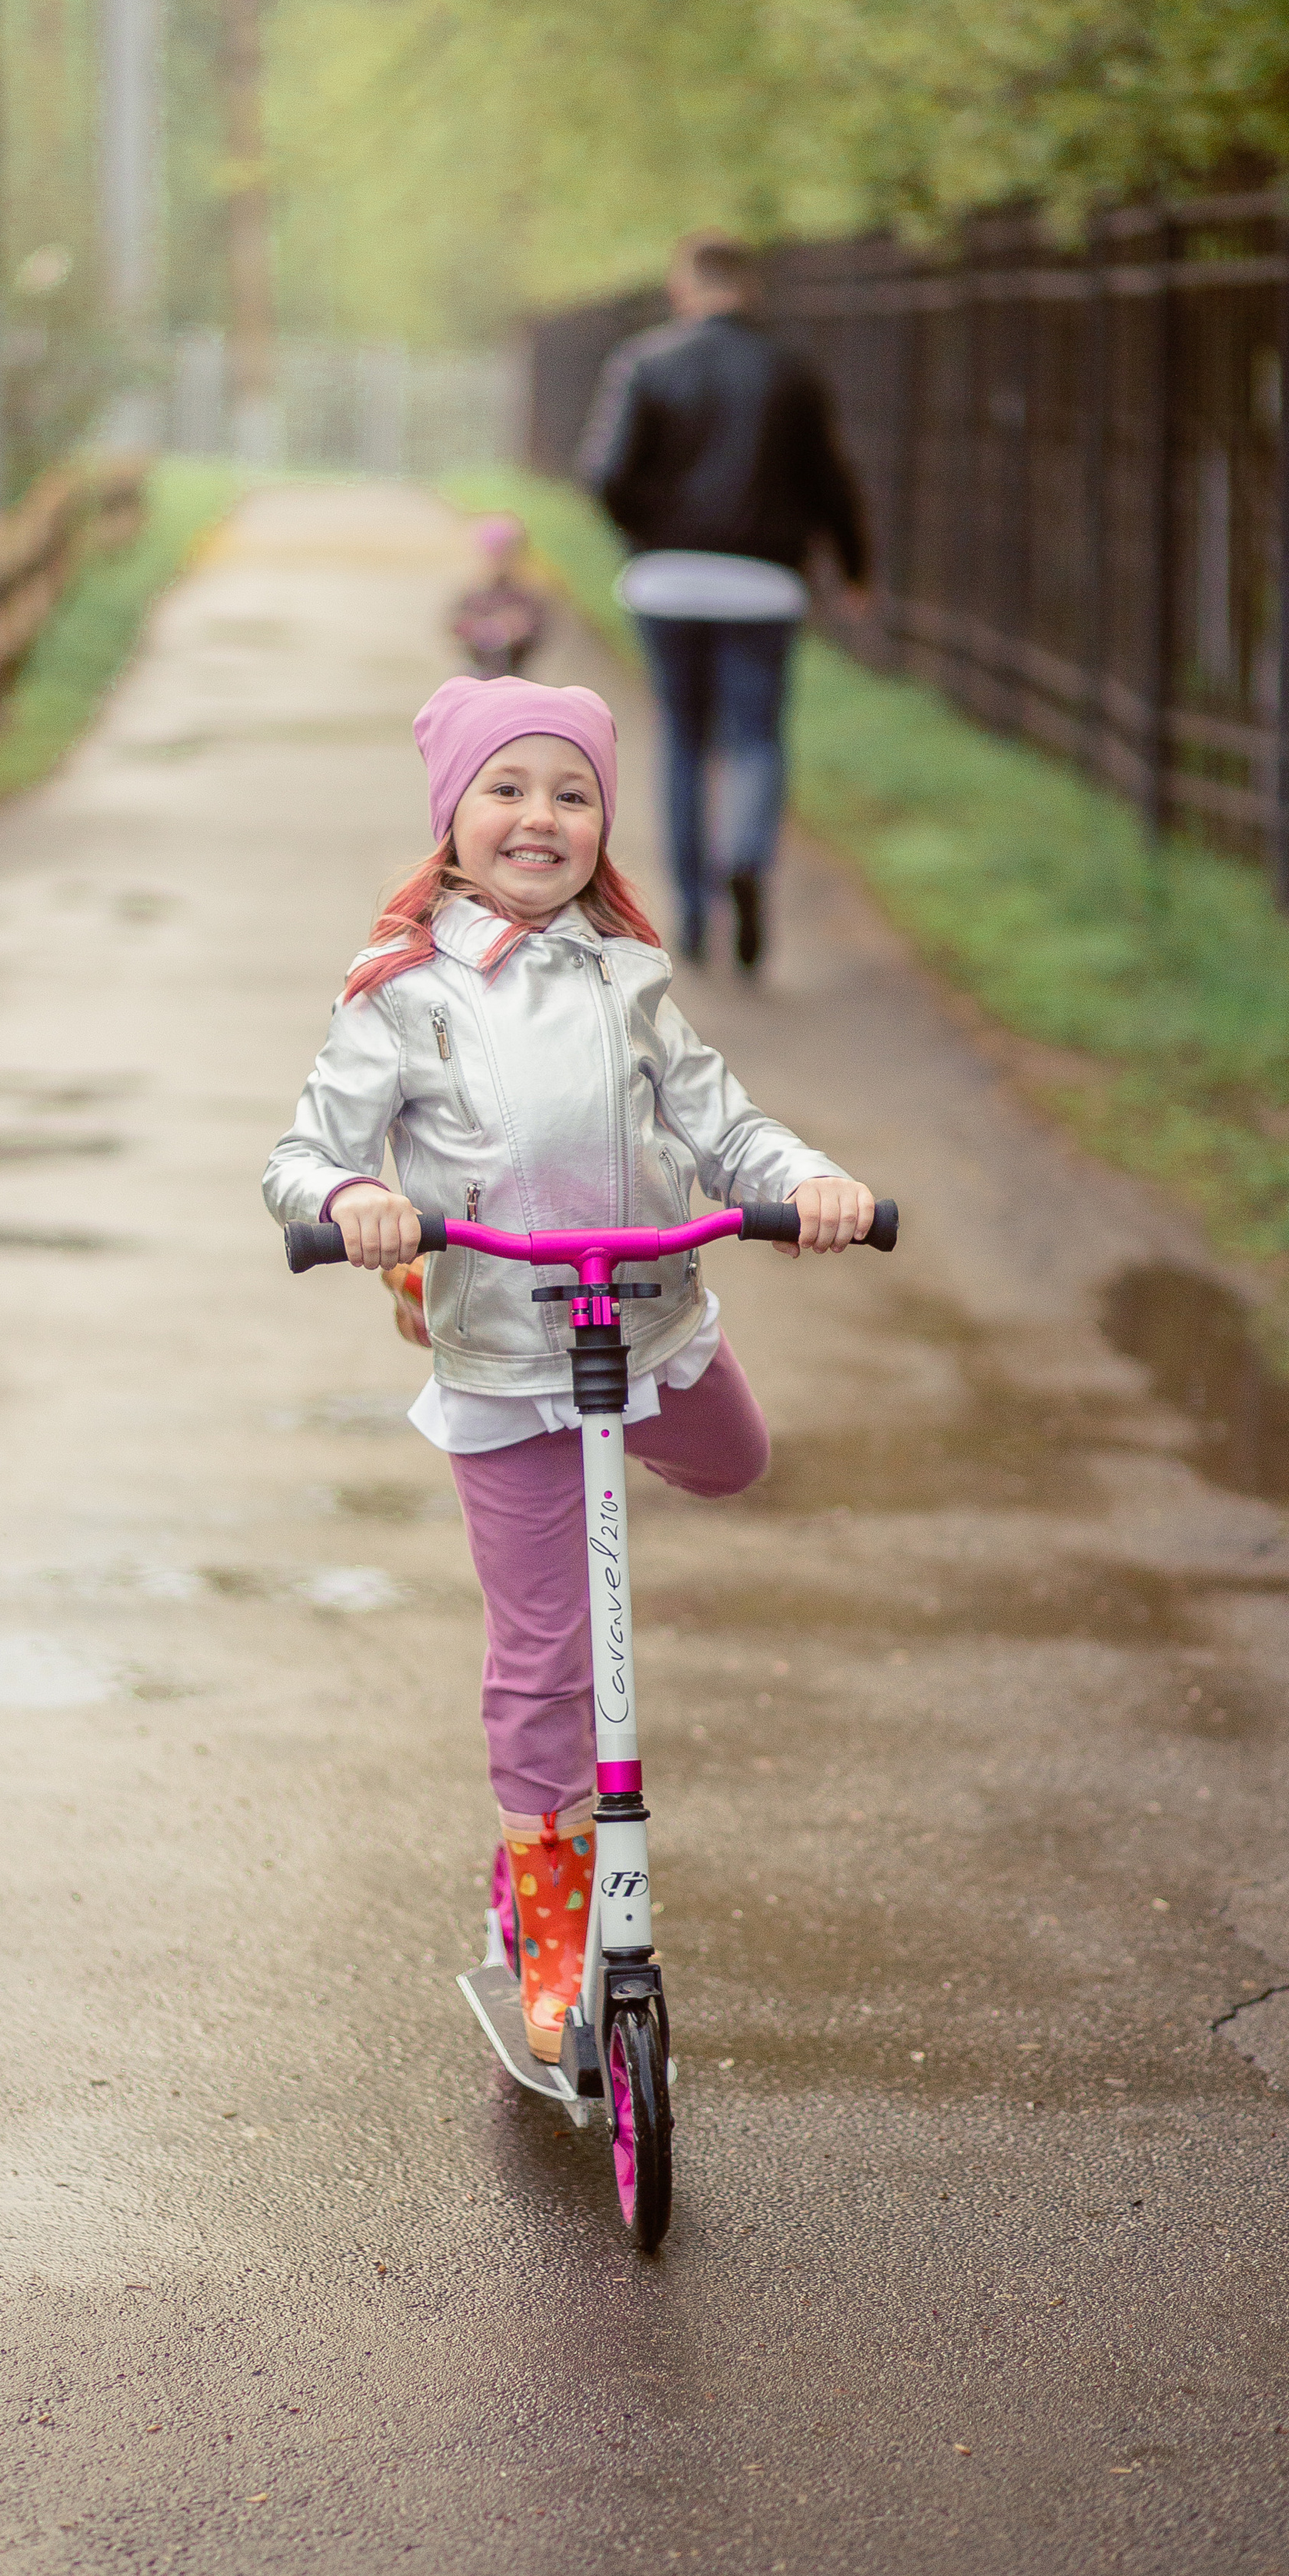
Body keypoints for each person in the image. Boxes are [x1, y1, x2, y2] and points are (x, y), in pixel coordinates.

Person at [262, 672, 876, 2062]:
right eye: (508, 789)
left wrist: (808, 1181)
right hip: (508, 1359)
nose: (541, 816)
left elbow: (725, 1126)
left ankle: (620, 1421)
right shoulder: (401, 994)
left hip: (646, 1319)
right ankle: (547, 1912)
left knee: (737, 1462)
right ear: (454, 817)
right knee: (547, 1653)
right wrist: (354, 1200)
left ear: (604, 822)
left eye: (573, 793)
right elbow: (302, 1155)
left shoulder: (627, 976)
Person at [575, 229, 872, 973]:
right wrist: (854, 568)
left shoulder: (645, 361)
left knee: (683, 740)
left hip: (667, 581)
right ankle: (744, 855)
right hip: (765, 584)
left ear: (683, 286)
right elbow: (831, 480)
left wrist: (647, 538)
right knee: (756, 739)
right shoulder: (790, 371)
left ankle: (691, 911)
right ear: (751, 287)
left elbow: (605, 475)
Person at [447, 512, 548, 678]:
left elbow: (538, 626)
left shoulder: (527, 593)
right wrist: (475, 628)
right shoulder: (473, 592)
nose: (498, 562)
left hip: (514, 674)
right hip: (476, 672)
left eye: (505, 555)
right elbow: (454, 624)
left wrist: (517, 628)